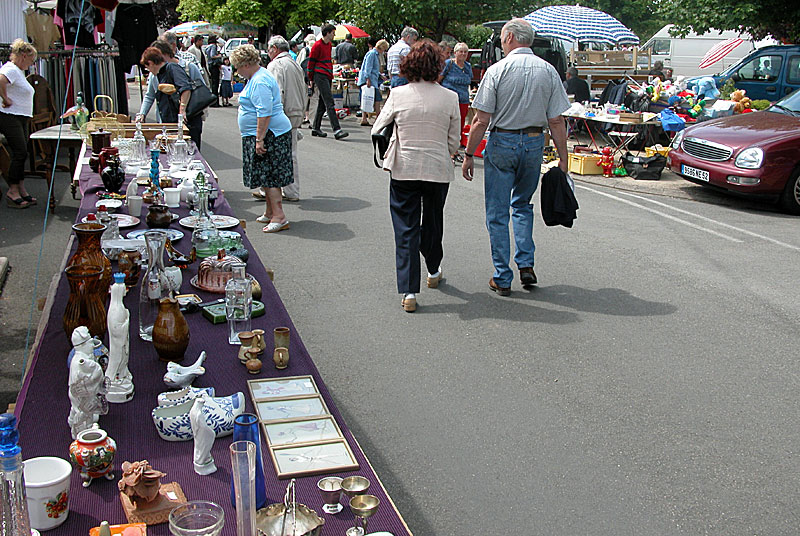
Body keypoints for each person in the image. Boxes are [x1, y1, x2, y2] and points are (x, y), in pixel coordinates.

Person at [461, 19, 570, 296]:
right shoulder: (548, 71)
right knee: (522, 205)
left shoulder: (497, 70)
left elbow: (481, 120)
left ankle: (502, 275)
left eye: (500, 37)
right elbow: (557, 121)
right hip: (534, 142)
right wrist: (563, 159)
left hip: (503, 141)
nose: (499, 41)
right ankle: (526, 264)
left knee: (497, 213)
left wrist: (469, 153)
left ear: (509, 37)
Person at [371, 40, 461, 313]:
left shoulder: (398, 94)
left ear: (409, 65)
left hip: (404, 168)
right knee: (433, 221)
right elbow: (454, 141)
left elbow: (378, 127)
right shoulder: (450, 97)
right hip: (436, 168)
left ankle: (409, 291)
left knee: (406, 228)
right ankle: (433, 270)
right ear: (438, 67)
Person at [230, 45, 294, 233]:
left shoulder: (259, 81)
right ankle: (270, 211)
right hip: (268, 133)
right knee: (265, 176)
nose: (237, 71)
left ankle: (279, 216)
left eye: (238, 67)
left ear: (247, 64)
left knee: (271, 176)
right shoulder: (256, 77)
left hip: (271, 134)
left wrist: (259, 139)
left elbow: (264, 113)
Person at [137, 40, 205, 149]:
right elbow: (150, 96)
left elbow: (185, 88)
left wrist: (181, 111)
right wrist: (142, 114)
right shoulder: (158, 74)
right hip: (172, 124)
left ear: (151, 63)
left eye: (147, 67)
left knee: (188, 154)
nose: (148, 70)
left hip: (186, 123)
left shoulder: (172, 68)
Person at [266, 35, 306, 203]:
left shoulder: (276, 65)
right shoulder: (294, 64)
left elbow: (276, 93)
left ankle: (284, 190)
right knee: (291, 154)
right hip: (296, 111)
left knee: (281, 155)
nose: (268, 53)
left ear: (274, 49)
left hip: (284, 114)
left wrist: (272, 117)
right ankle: (291, 190)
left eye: (269, 50)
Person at [0, 39, 37, 208]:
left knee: (22, 152)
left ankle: (20, 187)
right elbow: (0, 80)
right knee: (20, 151)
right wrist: (5, 99)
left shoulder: (17, 71)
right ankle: (13, 190)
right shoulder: (11, 69)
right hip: (10, 115)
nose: (32, 64)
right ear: (23, 56)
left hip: (19, 116)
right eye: (31, 60)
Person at [307, 24, 348, 140]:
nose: (334, 35)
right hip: (319, 75)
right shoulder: (317, 46)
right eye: (333, 33)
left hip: (327, 74)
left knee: (322, 102)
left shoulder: (329, 45)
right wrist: (311, 79)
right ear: (328, 33)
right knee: (329, 102)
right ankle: (337, 129)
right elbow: (311, 63)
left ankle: (316, 127)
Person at [439, 41, 472, 160]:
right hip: (449, 99)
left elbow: (470, 80)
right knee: (447, 124)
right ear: (455, 53)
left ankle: (455, 150)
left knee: (459, 125)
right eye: (461, 52)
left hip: (463, 99)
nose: (463, 54)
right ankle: (446, 149)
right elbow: (439, 79)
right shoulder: (449, 64)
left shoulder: (468, 66)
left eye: (465, 52)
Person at [356, 36, 389, 126]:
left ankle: (365, 118)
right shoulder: (372, 54)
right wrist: (368, 79)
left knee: (366, 98)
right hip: (369, 80)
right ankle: (377, 118)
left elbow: (372, 68)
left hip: (371, 79)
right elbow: (368, 68)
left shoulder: (373, 54)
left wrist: (380, 75)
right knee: (376, 99)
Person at [206, 35, 223, 107]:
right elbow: (212, 55)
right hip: (214, 65)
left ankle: (212, 101)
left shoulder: (207, 47)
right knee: (215, 84)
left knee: (213, 83)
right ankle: (215, 102)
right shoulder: (213, 46)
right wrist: (219, 56)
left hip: (210, 65)